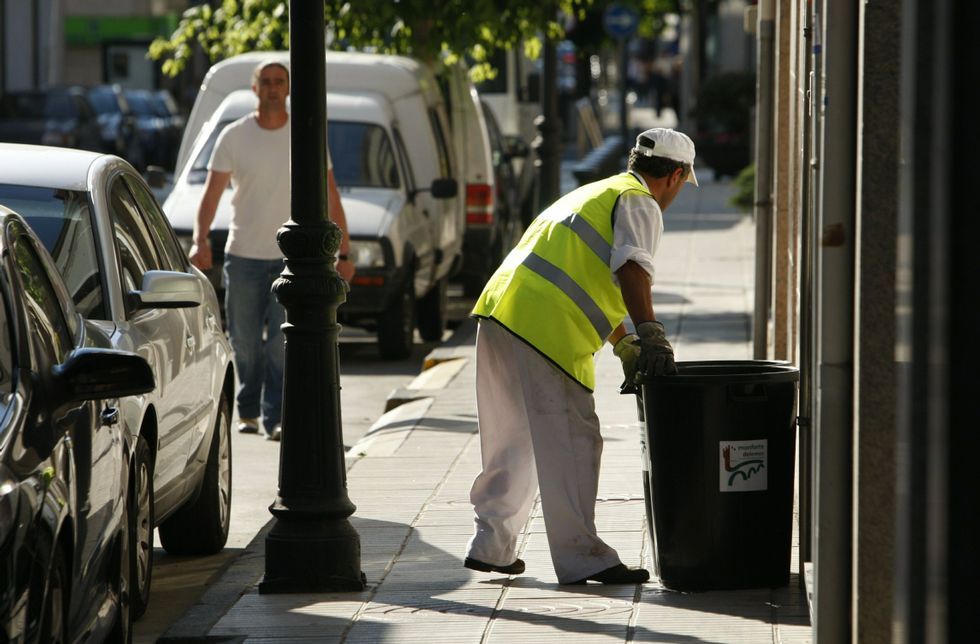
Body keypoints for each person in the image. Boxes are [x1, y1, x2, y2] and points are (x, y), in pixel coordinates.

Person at [464, 128, 698, 585]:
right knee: (573, 440)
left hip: (499, 311)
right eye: (681, 185)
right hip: (545, 327)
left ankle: (491, 545)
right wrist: (650, 334)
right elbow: (631, 267)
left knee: (512, 439)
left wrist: (622, 342)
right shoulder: (640, 201)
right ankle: (583, 557)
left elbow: (583, 276)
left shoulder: (596, 192)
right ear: (675, 175)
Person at [190, 60, 354, 442]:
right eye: (266, 82)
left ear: (289, 88)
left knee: (282, 346)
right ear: (255, 88)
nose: (273, 88)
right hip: (243, 255)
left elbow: (330, 194)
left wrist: (344, 252)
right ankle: (247, 410)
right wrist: (200, 240)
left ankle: (274, 416)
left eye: (279, 81)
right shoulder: (233, 136)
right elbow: (211, 196)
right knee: (245, 342)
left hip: (291, 261)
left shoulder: (305, 136)